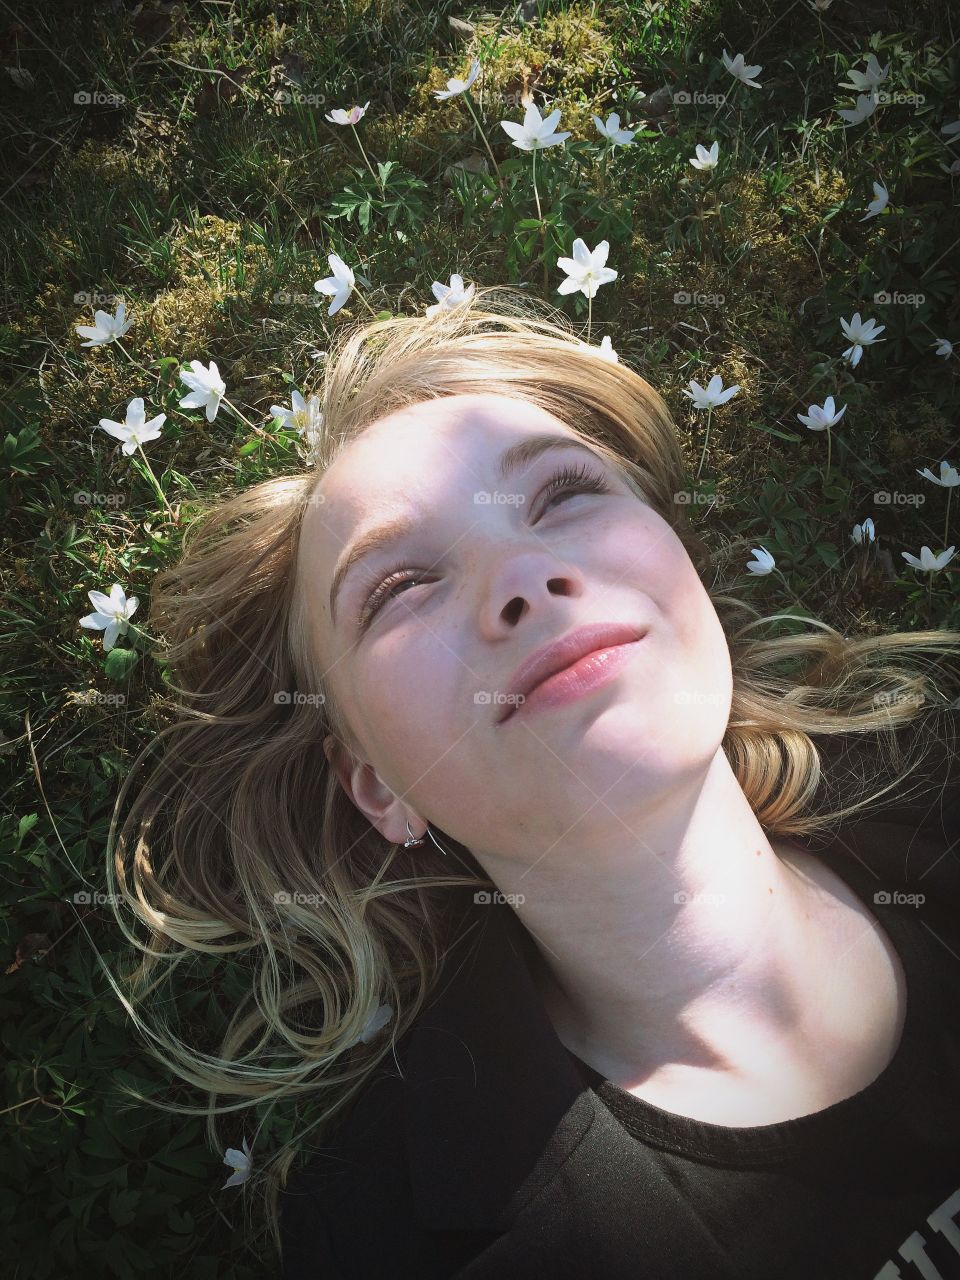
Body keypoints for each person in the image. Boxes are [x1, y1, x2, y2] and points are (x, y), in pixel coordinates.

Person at [106, 289, 960, 1278]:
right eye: (398, 587)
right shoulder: (381, 1237)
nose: (524, 574)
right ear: (378, 785)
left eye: (563, 494)